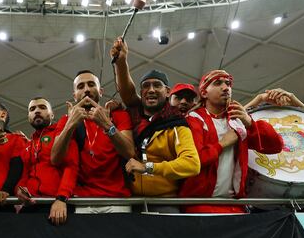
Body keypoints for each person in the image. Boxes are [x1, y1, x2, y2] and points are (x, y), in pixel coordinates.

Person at [180, 70, 284, 213]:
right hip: (199, 204)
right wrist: (222, 144)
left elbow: (276, 146)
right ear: (204, 93)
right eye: (218, 83)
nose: (225, 87)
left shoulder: (238, 120)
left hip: (234, 206)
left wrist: (250, 123)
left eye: (228, 84)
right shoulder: (193, 119)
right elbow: (193, 161)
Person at [108, 63, 200, 205]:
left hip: (165, 202)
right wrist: (120, 60)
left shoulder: (176, 124)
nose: (151, 90)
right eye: (146, 86)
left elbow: (192, 164)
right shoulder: (132, 117)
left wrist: (148, 167)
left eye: (157, 85)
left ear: (168, 91)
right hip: (131, 201)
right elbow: (127, 92)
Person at [51, 70, 135, 212]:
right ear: (74, 95)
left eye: (91, 85)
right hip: (82, 199)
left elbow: (129, 152)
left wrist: (107, 125)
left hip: (117, 198)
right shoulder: (66, 121)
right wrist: (71, 124)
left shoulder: (118, 115)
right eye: (80, 86)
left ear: (100, 91)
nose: (87, 89)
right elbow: (55, 159)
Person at [16, 97, 79, 225]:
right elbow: (24, 174)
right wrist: (19, 191)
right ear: (28, 116)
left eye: (42, 107)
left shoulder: (62, 133)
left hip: (57, 205)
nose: (37, 111)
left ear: (52, 114)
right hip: (31, 206)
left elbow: (71, 167)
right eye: (32, 109)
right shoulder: (28, 145)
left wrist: (62, 198)